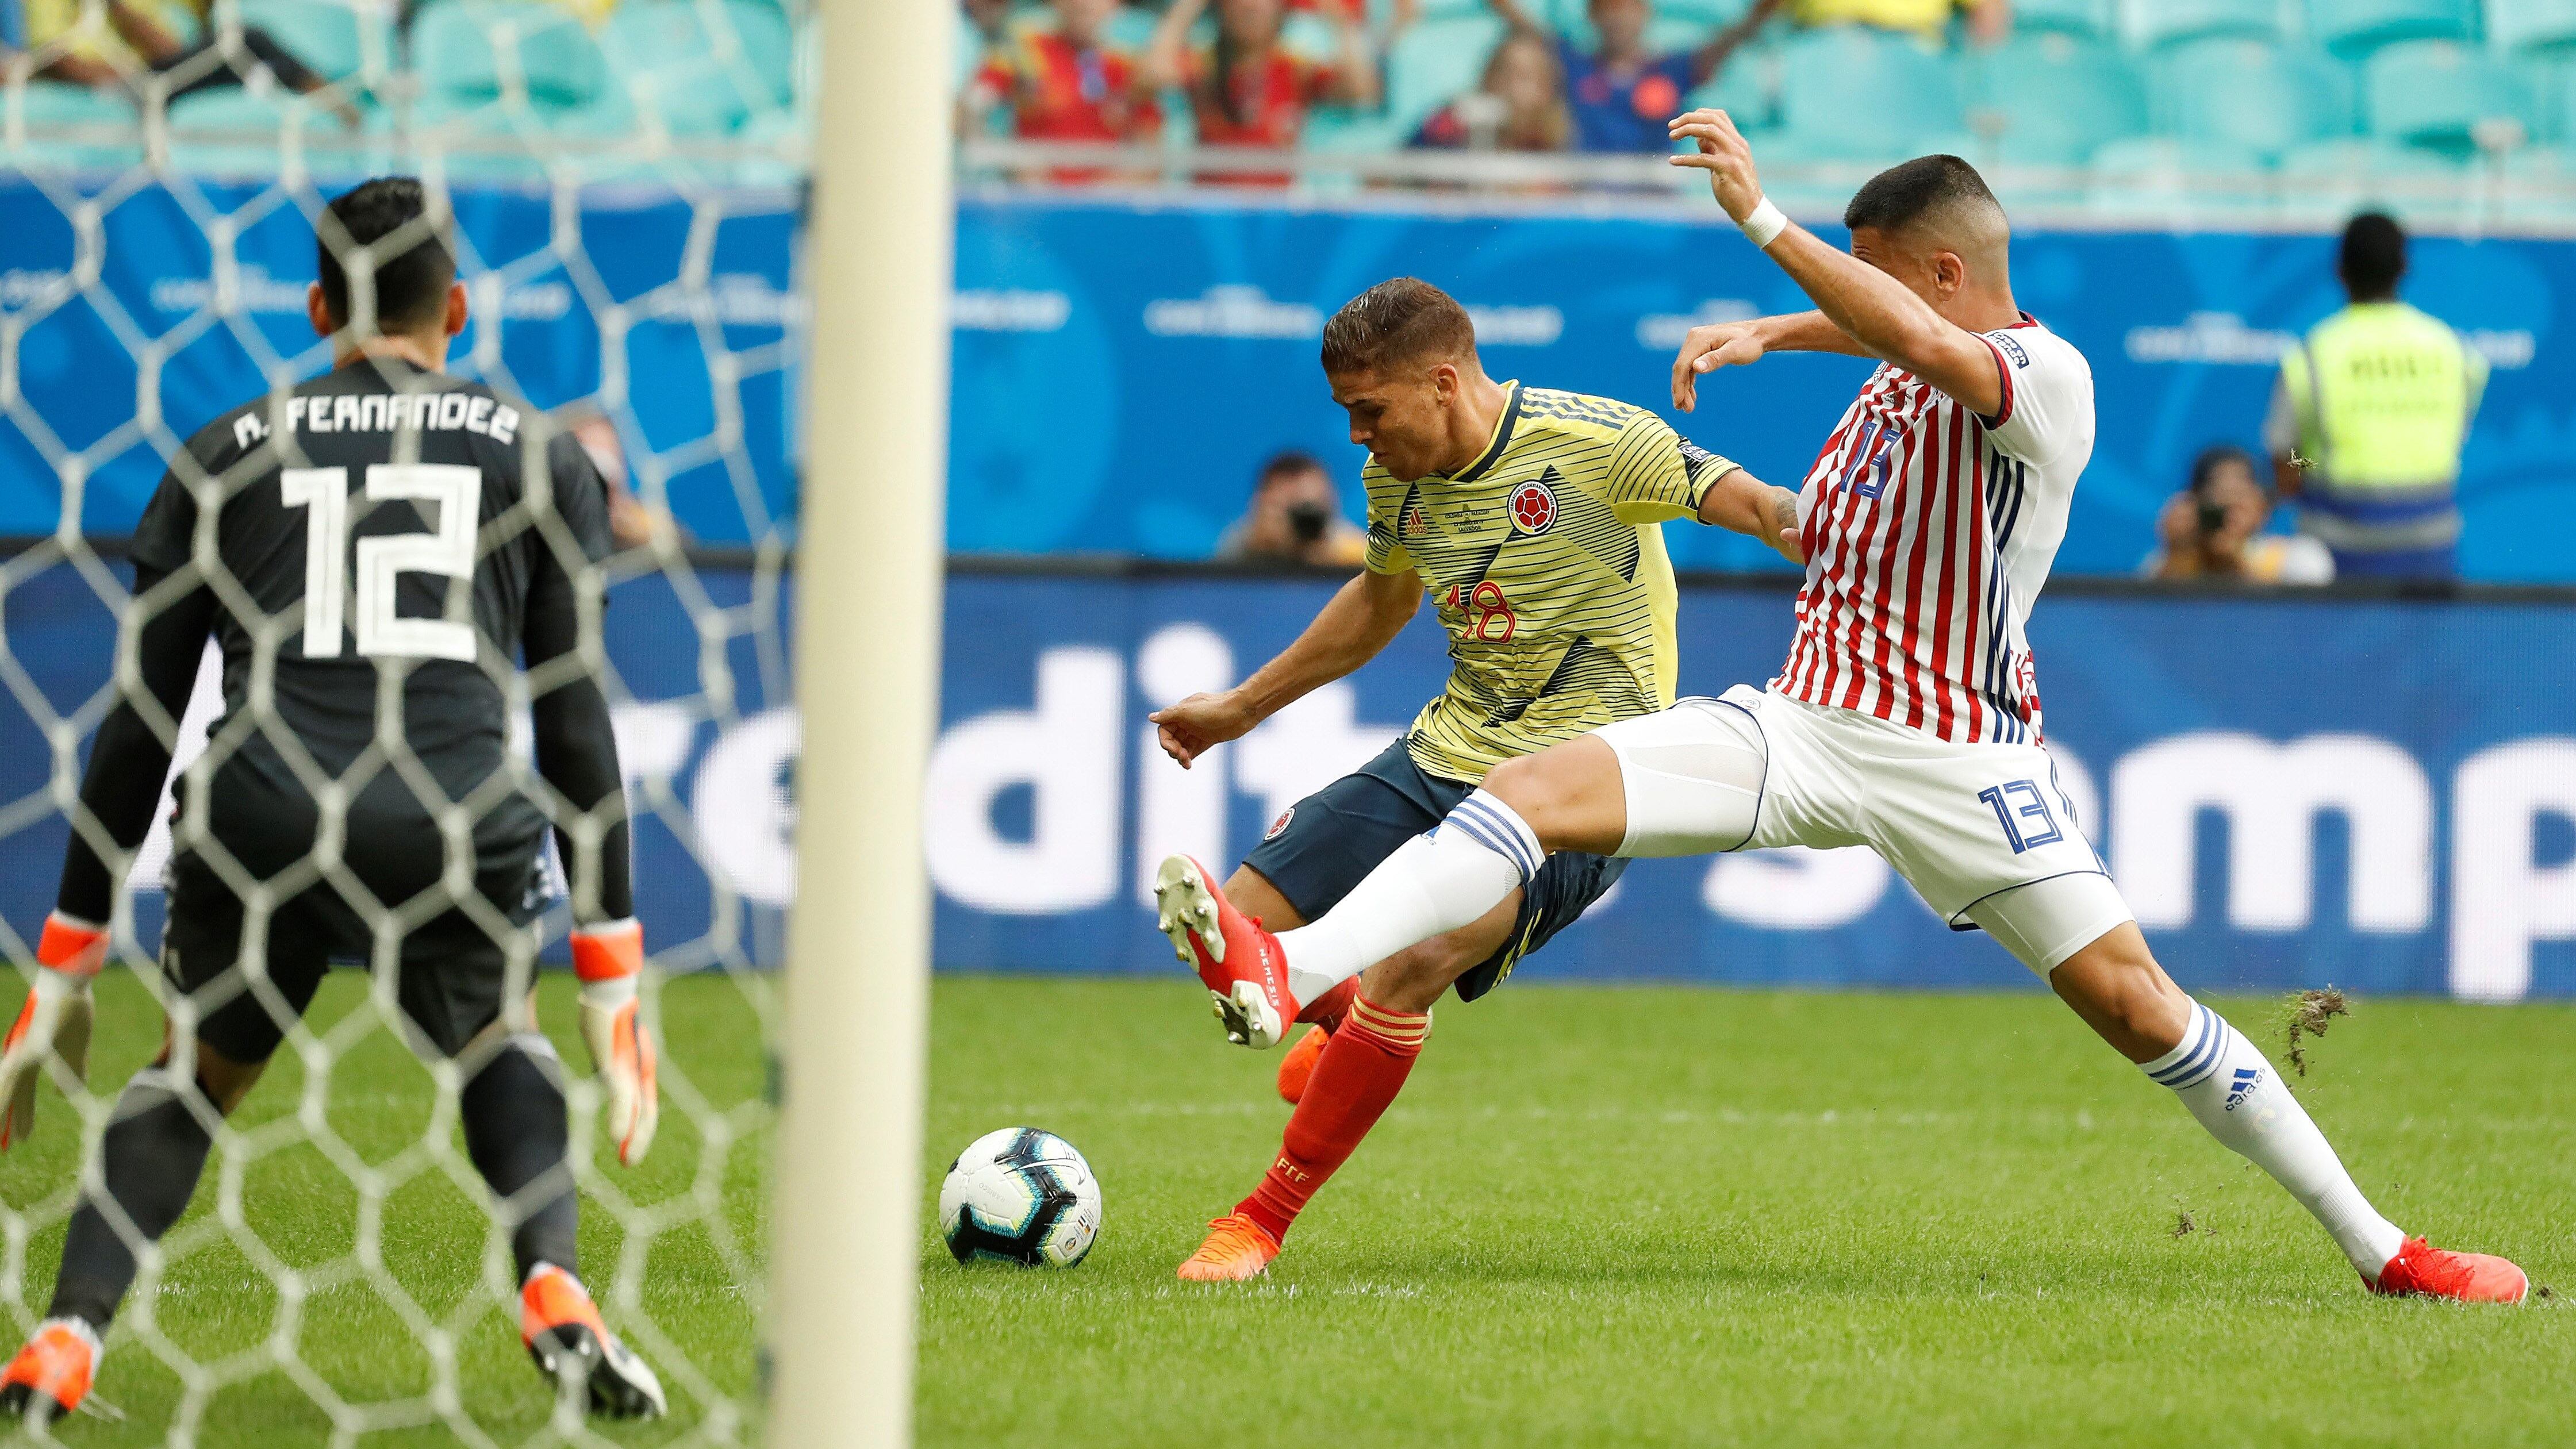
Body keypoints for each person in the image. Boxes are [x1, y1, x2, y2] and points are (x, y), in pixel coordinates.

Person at [1160, 139, 2529, 1305]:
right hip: (1803, 720)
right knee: (1526, 793)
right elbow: (1895, 331)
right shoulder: (1896, 360)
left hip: (1955, 756)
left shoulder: (2046, 379)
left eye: (1868, 275)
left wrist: (1762, 223)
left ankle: (2386, 1251)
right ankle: (1291, 967)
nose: (1850, 301)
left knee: (2139, 1009)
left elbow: (1926, 337)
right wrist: (1772, 332)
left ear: (1937, 272)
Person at [0, 178, 669, 1423]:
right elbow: (575, 724)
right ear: (456, 309)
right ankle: (555, 1287)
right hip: (452, 810)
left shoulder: (222, 452)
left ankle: (64, 1336)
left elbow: (140, 726)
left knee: (194, 1074)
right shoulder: (539, 456)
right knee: (500, 1038)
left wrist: (66, 959)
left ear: (317, 309)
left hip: (263, 808)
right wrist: (611, 971)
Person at [1147, 277, 1801, 1281]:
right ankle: (1336, 1019)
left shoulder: (1596, 443)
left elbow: (1759, 507)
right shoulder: (1395, 478)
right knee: (1239, 920)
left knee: (1415, 965)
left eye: (1371, 410)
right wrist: (1241, 707)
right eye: (1347, 414)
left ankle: (1257, 1223)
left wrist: (1844, 541)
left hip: (1584, 788)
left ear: (1443, 383)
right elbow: (1381, 603)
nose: (1357, 438)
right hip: (1446, 753)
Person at [2266, 213, 2486, 582]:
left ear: (2340, 271)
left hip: (2337, 556)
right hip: (2430, 554)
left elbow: (2287, 464)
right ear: (2404, 268)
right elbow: (2453, 438)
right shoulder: (2452, 351)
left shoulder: (2314, 354)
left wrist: (2315, 463)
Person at [1482, 0, 1767, 153]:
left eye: (1628, 6)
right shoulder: (1575, 66)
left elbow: (1733, 38)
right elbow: (1522, 24)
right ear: (1592, 15)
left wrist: (1766, 10)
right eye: (1608, 7)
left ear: (1645, 12)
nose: (1619, 17)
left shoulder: (1672, 71)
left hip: (1653, 202)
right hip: (1586, 199)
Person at [21, 0, 360, 126]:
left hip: (165, 73)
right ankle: (331, 97)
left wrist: (121, 10)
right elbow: (54, 58)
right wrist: (120, 77)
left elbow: (172, 49)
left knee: (244, 44)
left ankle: (327, 97)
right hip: (125, 84)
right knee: (250, 42)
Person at [1145, 0, 1379, 171]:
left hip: (1277, 214)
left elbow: (1361, 90)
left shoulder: (1296, 70)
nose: (1250, 6)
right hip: (1212, 211)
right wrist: (1188, 7)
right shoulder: (1205, 65)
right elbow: (1153, 75)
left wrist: (1338, 18)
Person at [962, 0, 1161, 147]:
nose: (1084, 4)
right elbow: (972, 105)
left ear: (1116, 5)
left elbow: (1149, 142)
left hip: (1108, 190)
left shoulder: (1128, 68)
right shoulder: (1026, 51)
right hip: (1035, 190)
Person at [2142, 444, 2333, 584]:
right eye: (2219, 494)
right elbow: (2157, 620)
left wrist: (2233, 564)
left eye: (2239, 495)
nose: (2229, 508)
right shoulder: (2166, 563)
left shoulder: (2301, 558)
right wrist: (2179, 554)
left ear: (2262, 506)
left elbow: (2302, 620)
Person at [1410, 29, 1569, 153]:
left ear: (1545, 89)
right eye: (1504, 73)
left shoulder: (1556, 144)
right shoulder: (1452, 123)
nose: (1511, 86)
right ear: (1488, 77)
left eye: (1524, 77)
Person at [1215, 449, 1369, 566]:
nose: (1307, 520)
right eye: (1296, 509)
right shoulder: (1240, 548)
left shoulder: (1356, 552)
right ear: (1262, 505)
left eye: (1313, 509)